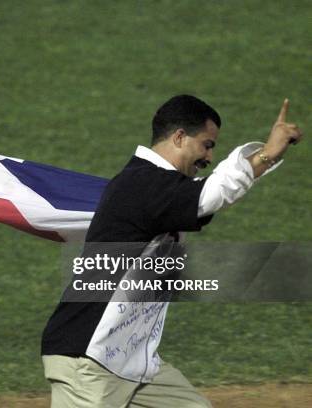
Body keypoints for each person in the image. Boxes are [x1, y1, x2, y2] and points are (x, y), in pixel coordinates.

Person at [41, 95, 303, 407]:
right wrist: (268, 153)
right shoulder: (142, 184)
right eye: (206, 145)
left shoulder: (156, 185)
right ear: (179, 137)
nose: (209, 156)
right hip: (88, 359)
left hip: (132, 360)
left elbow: (206, 192)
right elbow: (212, 194)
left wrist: (262, 160)